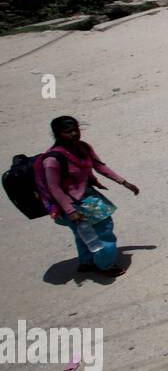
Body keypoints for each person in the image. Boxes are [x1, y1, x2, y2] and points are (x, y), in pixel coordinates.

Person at [39, 116, 139, 276]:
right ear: (57, 134)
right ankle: (105, 264)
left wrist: (124, 182)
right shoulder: (52, 160)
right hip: (71, 204)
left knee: (83, 233)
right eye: (68, 132)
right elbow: (54, 188)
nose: (74, 134)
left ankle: (86, 261)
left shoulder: (82, 147)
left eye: (76, 130)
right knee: (103, 230)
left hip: (86, 195)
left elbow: (99, 166)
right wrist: (70, 211)